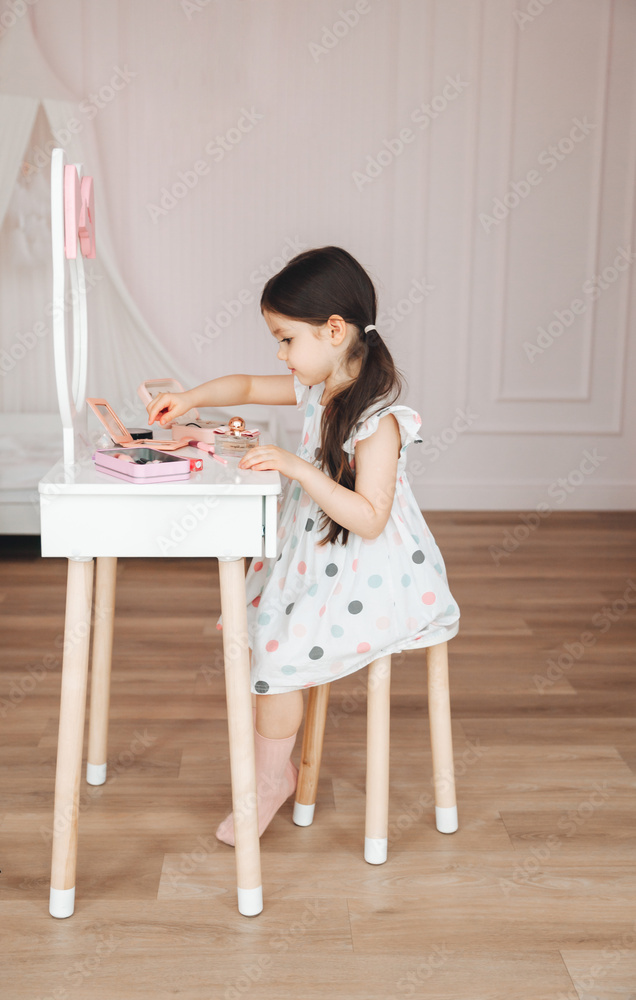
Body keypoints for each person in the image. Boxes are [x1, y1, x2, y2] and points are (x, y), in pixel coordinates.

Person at [147, 246, 460, 846]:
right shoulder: (321, 386)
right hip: (316, 553)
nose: (281, 354)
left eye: (287, 339)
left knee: (277, 654)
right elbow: (245, 384)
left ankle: (270, 781)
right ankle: (271, 770)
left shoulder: (378, 420)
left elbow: (369, 519)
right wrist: (190, 399)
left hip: (367, 571)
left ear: (334, 331)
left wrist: (297, 467)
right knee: (258, 632)